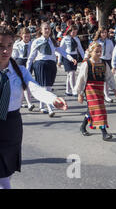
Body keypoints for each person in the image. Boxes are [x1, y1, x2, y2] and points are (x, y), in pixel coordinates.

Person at [0, 26, 68, 189]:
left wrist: (52, 99)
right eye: (1, 46)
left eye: (9, 46)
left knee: (5, 172)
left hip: (12, 125)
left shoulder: (20, 71)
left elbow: (35, 88)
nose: (5, 51)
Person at [26, 22, 72, 117]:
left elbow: (61, 51)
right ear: (41, 30)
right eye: (45, 29)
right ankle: (50, 108)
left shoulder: (53, 41)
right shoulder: (37, 41)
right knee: (45, 87)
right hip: (41, 64)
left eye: (49, 29)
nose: (47, 30)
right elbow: (31, 57)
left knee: (48, 87)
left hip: (51, 64)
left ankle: (42, 106)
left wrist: (71, 58)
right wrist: (27, 70)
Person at [75, 43, 116, 141]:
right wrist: (80, 93)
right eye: (96, 52)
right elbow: (81, 79)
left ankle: (82, 126)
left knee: (92, 109)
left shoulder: (103, 63)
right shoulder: (87, 64)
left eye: (100, 52)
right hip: (90, 89)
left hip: (99, 88)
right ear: (90, 52)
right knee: (99, 109)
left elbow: (109, 76)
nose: (99, 54)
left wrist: (114, 88)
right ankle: (104, 133)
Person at [58, 25, 85, 97]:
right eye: (73, 32)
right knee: (72, 73)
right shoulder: (65, 39)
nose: (74, 34)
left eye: (76, 32)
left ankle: (68, 90)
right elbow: (61, 50)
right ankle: (74, 90)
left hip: (75, 56)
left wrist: (85, 58)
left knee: (69, 75)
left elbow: (80, 49)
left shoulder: (76, 39)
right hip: (67, 57)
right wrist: (59, 60)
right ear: (69, 31)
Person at [12, 28, 35, 111]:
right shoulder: (17, 44)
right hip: (20, 62)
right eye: (25, 36)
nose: (27, 38)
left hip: (29, 62)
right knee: (23, 83)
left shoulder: (32, 44)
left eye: (28, 36)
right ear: (21, 36)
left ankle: (23, 102)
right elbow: (14, 56)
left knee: (26, 83)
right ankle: (29, 103)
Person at [93, 27, 115, 102]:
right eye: (102, 33)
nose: (104, 34)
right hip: (99, 60)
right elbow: (92, 51)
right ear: (99, 33)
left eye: (105, 32)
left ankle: (107, 95)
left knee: (106, 79)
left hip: (107, 60)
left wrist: (114, 63)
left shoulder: (109, 41)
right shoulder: (97, 42)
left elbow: (113, 52)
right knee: (99, 78)